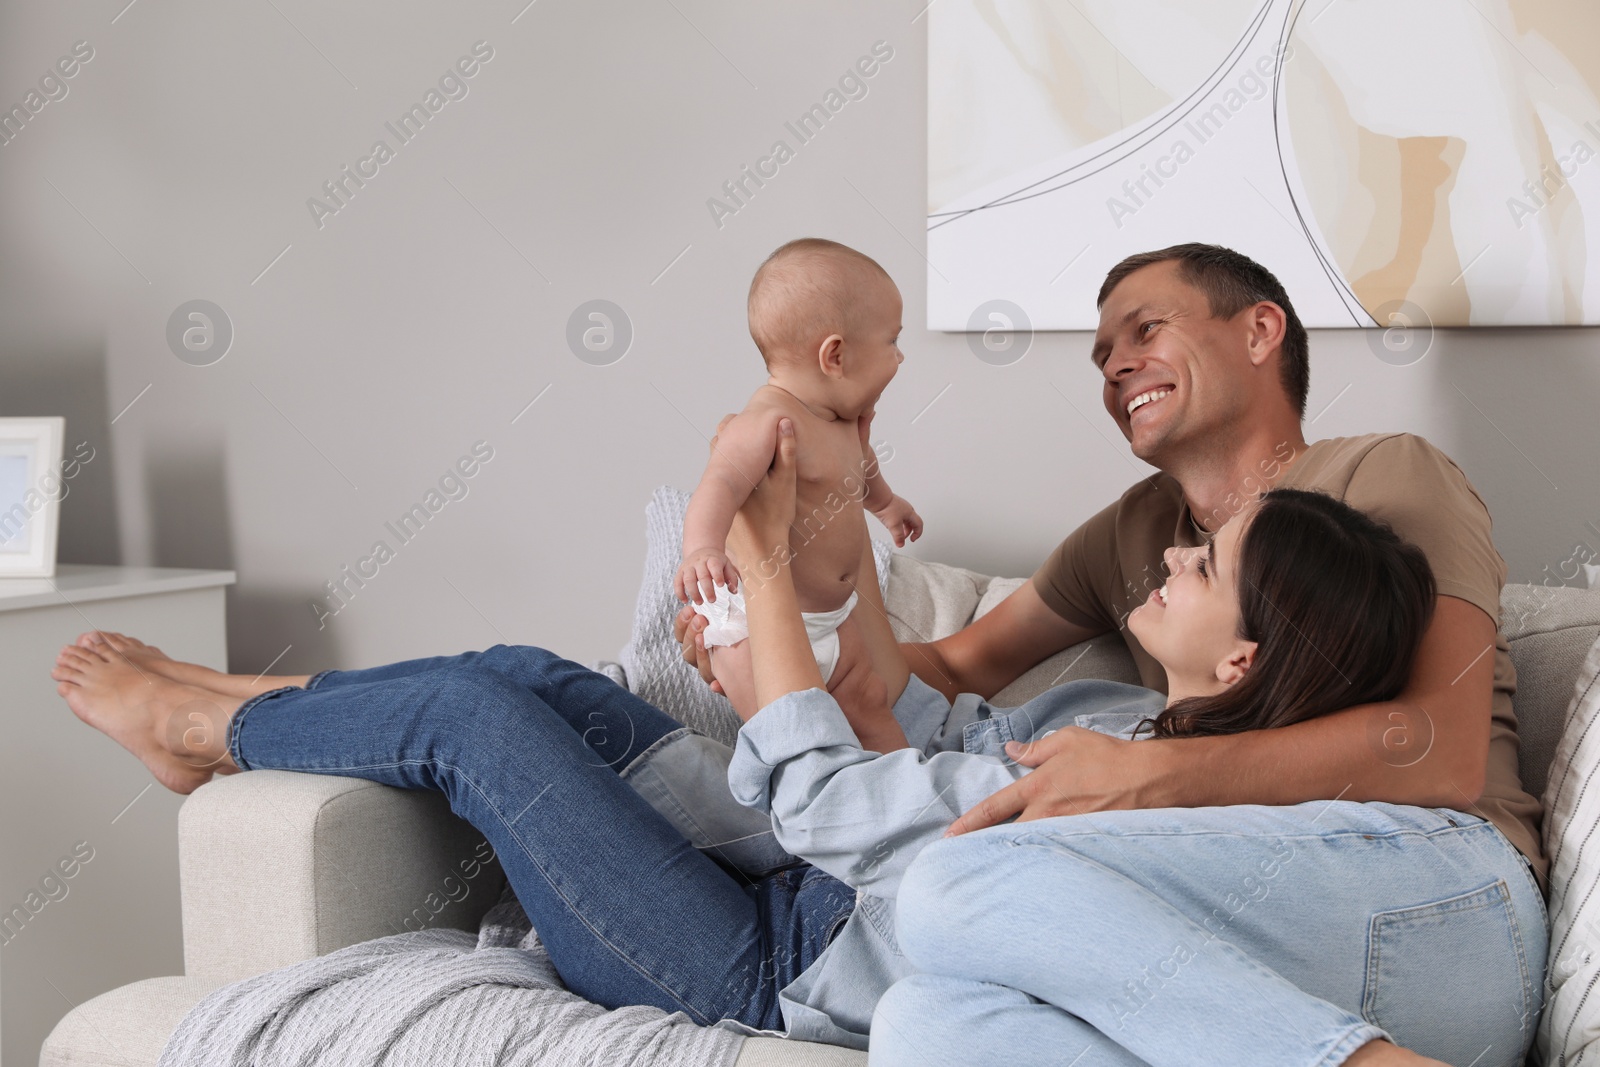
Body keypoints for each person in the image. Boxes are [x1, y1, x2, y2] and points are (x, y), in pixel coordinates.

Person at [675, 237, 921, 747]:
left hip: (832, 617)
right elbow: (718, 485)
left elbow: (861, 471)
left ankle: (910, 784)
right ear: (836, 355)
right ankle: (804, 789)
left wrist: (887, 505)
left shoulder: (839, 422)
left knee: (868, 698)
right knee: (792, 737)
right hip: (758, 628)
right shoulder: (767, 421)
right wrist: (702, 548)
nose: (900, 356)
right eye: (892, 341)